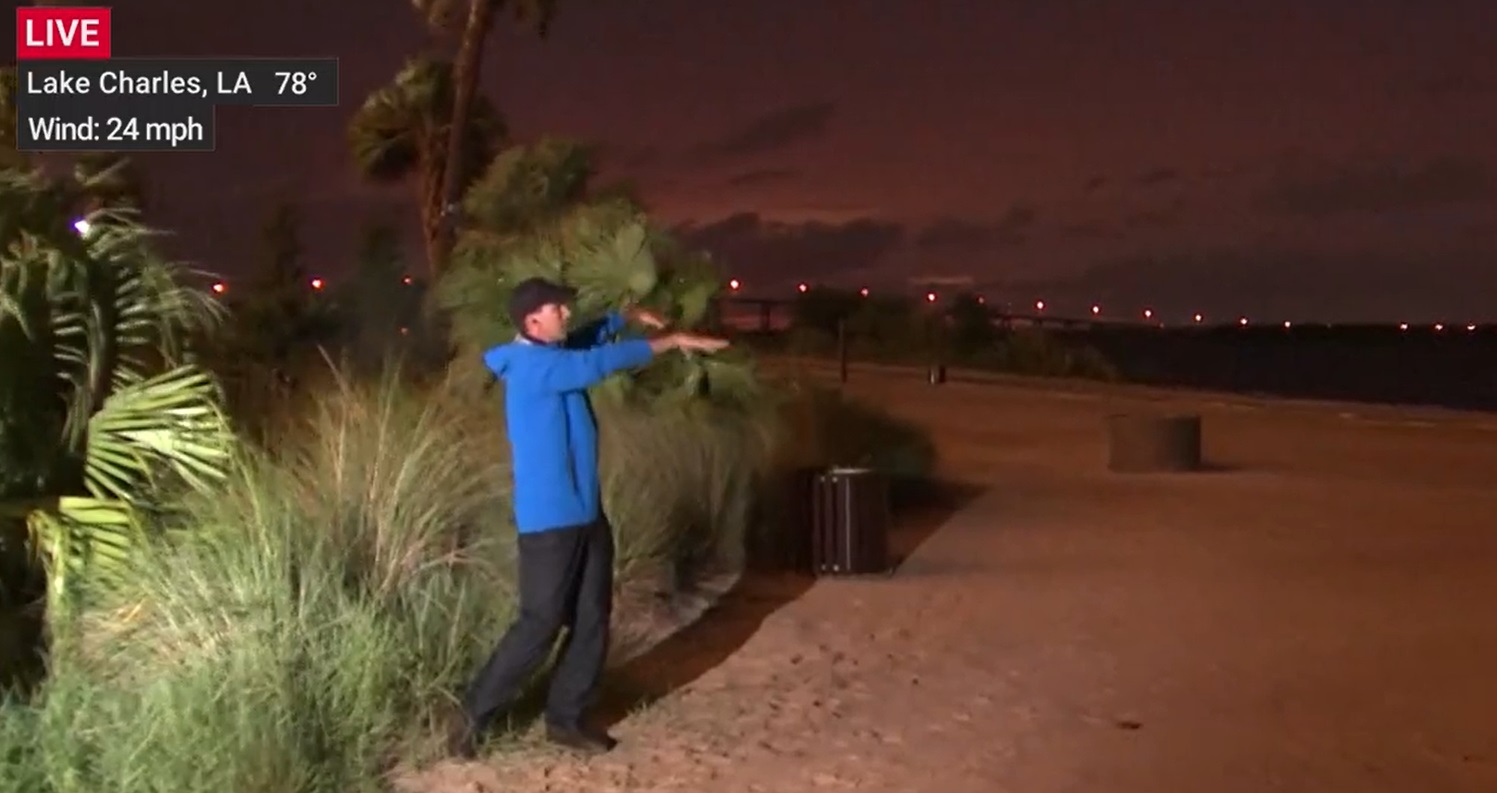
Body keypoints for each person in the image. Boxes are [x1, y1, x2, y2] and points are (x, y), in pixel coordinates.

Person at [449, 276, 729, 758]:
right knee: (540, 622)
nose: (565, 315)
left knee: (592, 617)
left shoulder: (549, 354)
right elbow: (597, 361)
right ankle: (473, 714)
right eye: (557, 310)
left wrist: (624, 318)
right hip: (549, 523)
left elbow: (587, 341)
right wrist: (670, 342)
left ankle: (566, 717)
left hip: (586, 513)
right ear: (532, 320)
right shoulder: (533, 367)